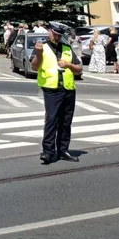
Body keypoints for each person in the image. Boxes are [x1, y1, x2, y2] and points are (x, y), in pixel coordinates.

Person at [31, 22, 82, 164]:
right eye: (55, 34)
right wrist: (38, 53)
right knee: (52, 120)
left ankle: (63, 150)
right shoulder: (42, 47)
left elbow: (79, 69)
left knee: (66, 121)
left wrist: (69, 65)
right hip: (51, 89)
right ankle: (48, 151)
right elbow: (34, 67)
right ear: (49, 31)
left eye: (59, 35)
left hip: (68, 89)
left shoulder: (66, 48)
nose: (57, 37)